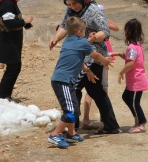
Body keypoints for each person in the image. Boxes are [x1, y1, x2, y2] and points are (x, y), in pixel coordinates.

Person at [49, 0, 120, 134]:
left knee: (74, 89)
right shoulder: (69, 10)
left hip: (94, 56)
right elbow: (64, 26)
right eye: (69, 4)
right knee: (94, 91)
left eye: (74, 3)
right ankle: (108, 124)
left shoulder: (94, 10)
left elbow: (105, 31)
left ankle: (71, 125)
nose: (72, 6)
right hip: (79, 58)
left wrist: (95, 38)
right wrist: (56, 39)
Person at [48, 17, 112, 148]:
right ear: (79, 32)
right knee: (70, 111)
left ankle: (71, 133)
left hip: (65, 81)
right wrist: (105, 61)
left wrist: (88, 71)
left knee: (74, 108)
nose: (85, 32)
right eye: (84, 30)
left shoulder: (68, 41)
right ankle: (55, 134)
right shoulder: (82, 43)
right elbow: (97, 56)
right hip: (63, 81)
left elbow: (77, 59)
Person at [0, 0, 33, 100]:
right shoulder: (7, 4)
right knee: (13, 68)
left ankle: (6, 95)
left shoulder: (11, 3)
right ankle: (2, 96)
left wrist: (25, 24)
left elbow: (13, 20)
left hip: (12, 41)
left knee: (15, 67)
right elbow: (8, 23)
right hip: (8, 42)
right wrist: (24, 21)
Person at [80, 5, 120, 130]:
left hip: (100, 60)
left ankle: (80, 122)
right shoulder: (90, 27)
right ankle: (104, 122)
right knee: (95, 90)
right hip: (100, 60)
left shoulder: (97, 25)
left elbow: (116, 28)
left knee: (95, 89)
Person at [113, 19, 148, 134]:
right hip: (135, 79)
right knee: (126, 97)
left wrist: (121, 72)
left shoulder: (132, 47)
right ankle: (137, 119)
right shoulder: (137, 45)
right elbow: (131, 58)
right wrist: (120, 54)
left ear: (128, 32)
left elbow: (130, 63)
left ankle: (142, 123)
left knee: (135, 102)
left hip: (136, 80)